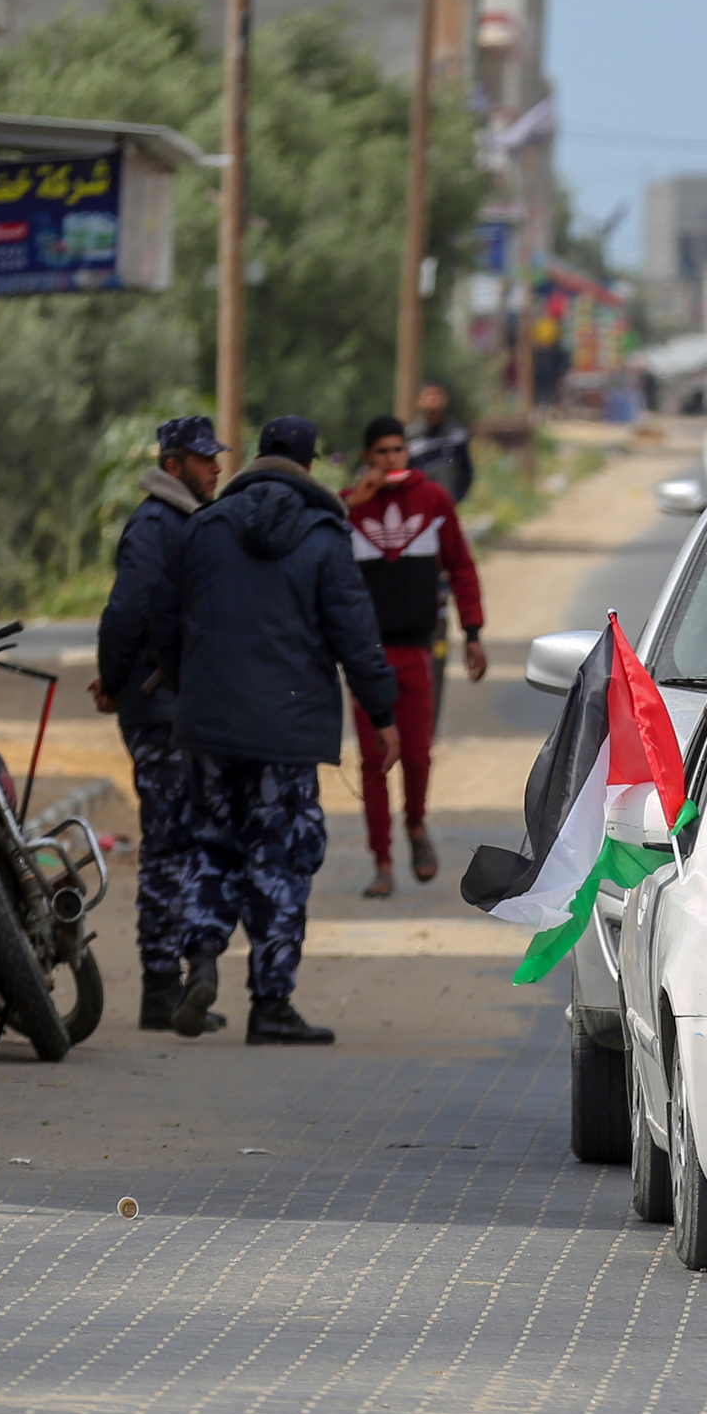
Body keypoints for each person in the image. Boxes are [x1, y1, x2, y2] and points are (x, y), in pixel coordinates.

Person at [151, 416, 400, 1046]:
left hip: (208, 727)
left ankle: (202, 954)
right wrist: (383, 714)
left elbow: (165, 620)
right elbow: (355, 634)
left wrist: (188, 692)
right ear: (311, 468)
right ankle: (271, 1004)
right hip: (286, 735)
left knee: (208, 841)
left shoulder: (204, 529)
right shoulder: (323, 537)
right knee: (280, 858)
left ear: (256, 458)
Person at [92, 416, 231, 1035]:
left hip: (182, 709)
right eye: (204, 460)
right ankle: (157, 989)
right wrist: (116, 677)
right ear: (173, 466)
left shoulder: (188, 521)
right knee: (169, 847)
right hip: (158, 710)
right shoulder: (157, 522)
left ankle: (172, 987)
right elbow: (127, 607)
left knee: (184, 842)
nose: (215, 468)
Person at [342, 414, 488, 896]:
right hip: (365, 655)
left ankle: (417, 828)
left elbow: (462, 568)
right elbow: (318, 558)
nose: (390, 460)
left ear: (408, 452)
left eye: (397, 451)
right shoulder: (349, 510)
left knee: (418, 754)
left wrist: (472, 632)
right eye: (381, 453)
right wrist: (349, 505)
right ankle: (381, 861)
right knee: (373, 758)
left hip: (416, 650)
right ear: (367, 458)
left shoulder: (434, 502)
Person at [406, 382, 474, 505]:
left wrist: (456, 497)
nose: (432, 400)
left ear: (445, 400)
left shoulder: (456, 434)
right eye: (427, 396)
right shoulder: (409, 436)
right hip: (417, 505)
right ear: (418, 401)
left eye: (437, 395)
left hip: (447, 503)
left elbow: (466, 470)